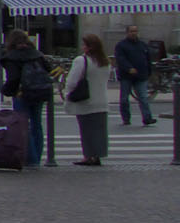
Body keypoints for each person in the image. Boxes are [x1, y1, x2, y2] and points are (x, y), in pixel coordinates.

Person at [0, 29, 52, 167]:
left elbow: (13, 78)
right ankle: (37, 157)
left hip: (22, 93)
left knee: (23, 126)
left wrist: (6, 90)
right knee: (36, 125)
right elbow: (48, 69)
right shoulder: (37, 54)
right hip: (39, 92)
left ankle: (31, 159)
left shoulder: (12, 56)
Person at [66, 33, 112, 166]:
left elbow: (72, 81)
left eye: (84, 44)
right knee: (99, 131)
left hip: (86, 100)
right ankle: (97, 155)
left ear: (89, 47)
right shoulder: (105, 62)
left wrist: (69, 93)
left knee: (86, 130)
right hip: (101, 99)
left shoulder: (82, 60)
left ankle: (88, 156)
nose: (82, 47)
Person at [113, 24, 157, 126]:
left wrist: (149, 72)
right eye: (131, 31)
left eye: (135, 31)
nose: (134, 33)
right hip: (126, 76)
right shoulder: (121, 45)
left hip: (141, 75)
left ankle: (147, 118)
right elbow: (120, 59)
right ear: (127, 33)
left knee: (143, 97)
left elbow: (147, 59)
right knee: (124, 99)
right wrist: (129, 68)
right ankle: (126, 118)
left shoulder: (142, 45)